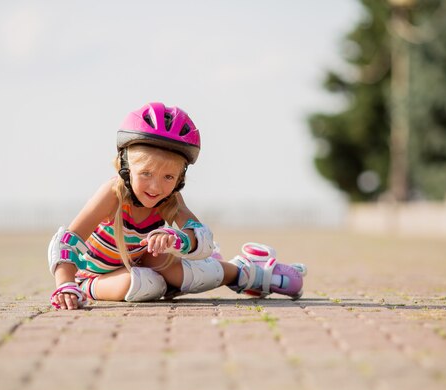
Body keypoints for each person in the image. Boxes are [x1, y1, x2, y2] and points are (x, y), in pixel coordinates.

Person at [48, 102, 306, 310]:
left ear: (180, 178)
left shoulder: (168, 200)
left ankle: (248, 272)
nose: (156, 187)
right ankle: (85, 287)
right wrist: (65, 284)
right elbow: (68, 241)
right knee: (142, 284)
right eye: (146, 173)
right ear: (126, 168)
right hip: (94, 277)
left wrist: (176, 237)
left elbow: (201, 237)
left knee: (169, 266)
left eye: (168, 177)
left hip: (141, 261)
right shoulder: (113, 194)